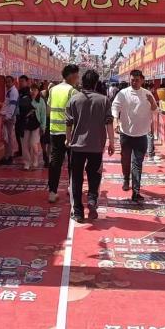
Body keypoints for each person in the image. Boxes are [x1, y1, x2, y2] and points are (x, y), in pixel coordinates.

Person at [65, 69, 114, 222]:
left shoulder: (74, 100)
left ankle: (78, 211)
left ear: (82, 82)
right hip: (96, 146)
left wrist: (68, 139)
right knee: (95, 174)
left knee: (76, 178)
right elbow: (109, 123)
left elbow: (68, 123)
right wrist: (112, 142)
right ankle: (92, 198)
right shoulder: (104, 100)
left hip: (77, 146)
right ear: (96, 83)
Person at [111, 69, 157, 203]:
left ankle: (136, 191)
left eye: (137, 80)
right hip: (126, 133)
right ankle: (126, 178)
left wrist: (152, 102)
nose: (134, 82)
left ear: (142, 80)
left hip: (141, 135)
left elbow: (155, 110)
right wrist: (115, 121)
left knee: (137, 163)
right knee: (125, 160)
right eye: (132, 80)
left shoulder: (147, 94)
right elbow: (115, 107)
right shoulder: (123, 93)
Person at [47, 64, 80, 202]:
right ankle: (71, 188)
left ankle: (52, 192)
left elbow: (48, 110)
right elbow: (77, 114)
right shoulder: (73, 92)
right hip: (70, 133)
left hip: (54, 131)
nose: (78, 79)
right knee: (73, 162)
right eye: (77, 76)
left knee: (55, 163)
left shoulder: (52, 90)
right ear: (71, 76)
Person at [22, 85, 47, 170]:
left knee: (33, 144)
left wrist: (43, 127)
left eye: (35, 90)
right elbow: (21, 111)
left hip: (36, 125)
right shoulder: (26, 99)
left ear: (38, 91)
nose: (33, 92)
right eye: (31, 90)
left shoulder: (41, 101)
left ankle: (35, 160)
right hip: (26, 125)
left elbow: (43, 115)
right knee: (25, 145)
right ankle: (27, 162)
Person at [0, 76, 19, 166]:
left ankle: (8, 157)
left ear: (13, 82)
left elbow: (12, 106)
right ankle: (7, 155)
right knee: (6, 138)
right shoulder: (9, 91)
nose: (7, 83)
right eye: (6, 82)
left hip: (9, 118)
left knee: (8, 138)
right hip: (6, 117)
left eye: (9, 82)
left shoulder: (13, 92)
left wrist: (8, 116)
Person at [14, 75, 31, 158]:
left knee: (24, 136)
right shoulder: (19, 91)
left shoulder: (29, 92)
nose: (20, 83)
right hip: (19, 117)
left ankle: (26, 152)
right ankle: (20, 150)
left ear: (27, 82)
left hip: (26, 118)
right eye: (19, 81)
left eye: (22, 81)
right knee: (18, 134)